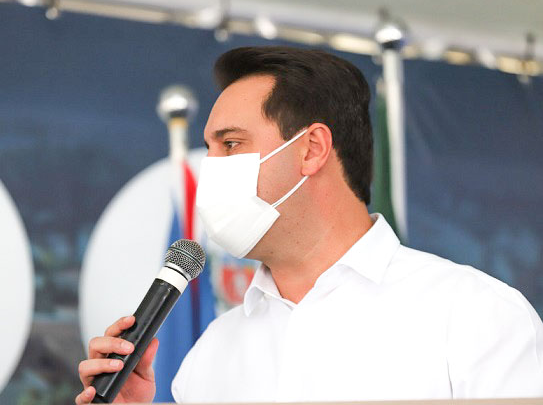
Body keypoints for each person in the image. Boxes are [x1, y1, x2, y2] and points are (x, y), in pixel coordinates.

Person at [75, 46, 543, 404]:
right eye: (211, 148)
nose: (210, 167)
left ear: (312, 149)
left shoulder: (474, 317)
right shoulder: (211, 352)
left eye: (231, 145)